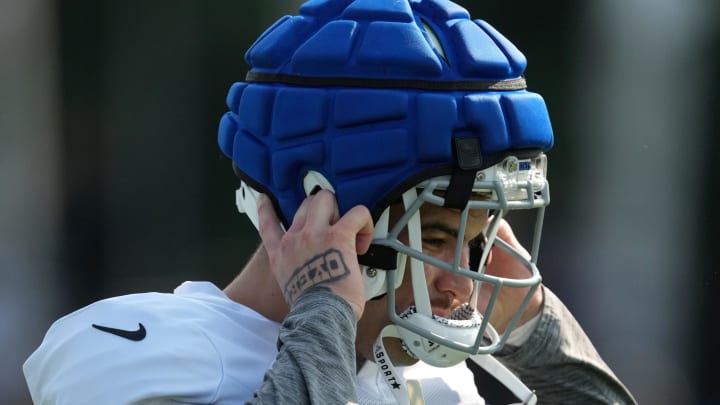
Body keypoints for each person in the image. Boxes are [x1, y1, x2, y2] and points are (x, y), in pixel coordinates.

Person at [23, 0, 637, 404]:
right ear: (324, 211)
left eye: (479, 241)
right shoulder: (136, 349)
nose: (466, 287)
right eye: (440, 237)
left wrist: (538, 334)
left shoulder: (440, 384)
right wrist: (322, 315)